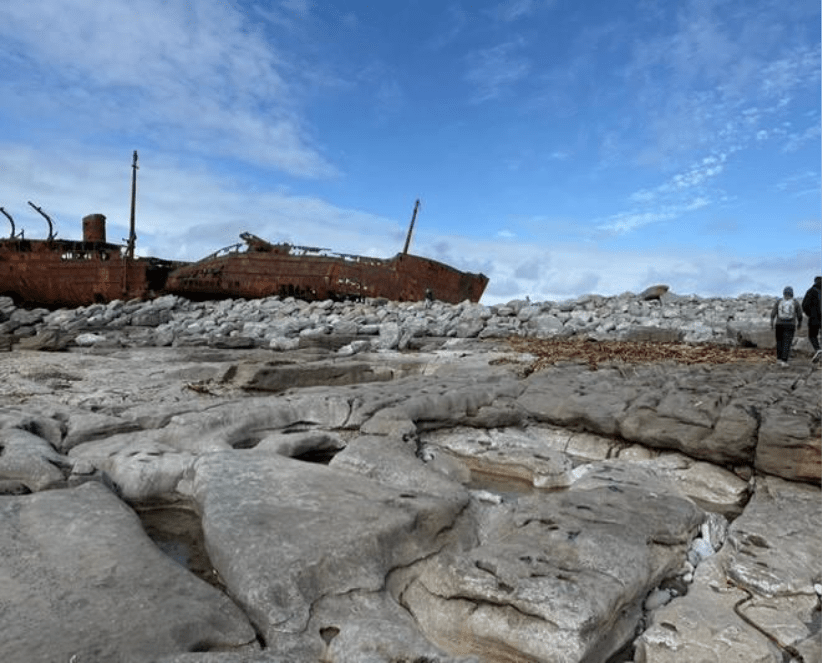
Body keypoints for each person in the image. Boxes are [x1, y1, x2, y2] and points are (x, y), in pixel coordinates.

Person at [770, 286, 802, 365]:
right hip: (790, 325)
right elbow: (800, 315)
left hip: (779, 324)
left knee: (779, 342)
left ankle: (779, 359)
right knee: (787, 342)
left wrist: (771, 323)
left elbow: (773, 313)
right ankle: (784, 361)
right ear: (792, 294)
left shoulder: (779, 301)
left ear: (784, 293)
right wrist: (799, 323)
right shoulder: (795, 302)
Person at [801, 276, 821, 362]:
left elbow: (804, 305)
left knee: (812, 335)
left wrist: (810, 314)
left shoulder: (811, 291)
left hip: (815, 318)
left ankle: (818, 350)